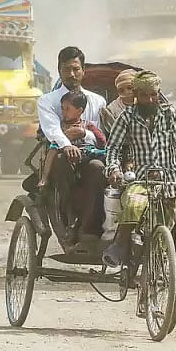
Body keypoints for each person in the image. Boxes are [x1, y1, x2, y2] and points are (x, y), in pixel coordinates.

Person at [103, 71, 176, 267]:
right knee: (134, 204)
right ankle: (120, 245)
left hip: (170, 181)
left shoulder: (170, 114)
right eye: (145, 95)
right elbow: (113, 149)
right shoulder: (126, 117)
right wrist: (114, 169)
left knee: (169, 225)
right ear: (136, 94)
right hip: (141, 179)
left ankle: (161, 261)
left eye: (153, 94)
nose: (150, 99)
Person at [37, 46, 107, 246]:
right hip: (61, 154)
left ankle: (88, 227)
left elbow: (99, 134)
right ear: (59, 70)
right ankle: (68, 220)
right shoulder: (47, 101)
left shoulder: (97, 101)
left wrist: (83, 134)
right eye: (67, 69)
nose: (72, 74)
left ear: (84, 71)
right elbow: (52, 130)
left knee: (98, 169)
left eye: (76, 69)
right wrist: (67, 145)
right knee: (63, 161)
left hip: (90, 154)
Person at [39, 90, 106, 188]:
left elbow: (102, 141)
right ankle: (46, 180)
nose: (63, 112)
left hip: (87, 157)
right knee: (57, 154)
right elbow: (53, 146)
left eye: (67, 109)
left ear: (79, 111)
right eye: (62, 108)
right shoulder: (60, 128)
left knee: (97, 165)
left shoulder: (87, 125)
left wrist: (84, 134)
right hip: (66, 160)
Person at [100, 69, 137, 136]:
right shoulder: (111, 110)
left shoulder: (146, 101)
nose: (126, 92)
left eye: (129, 88)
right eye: (121, 90)